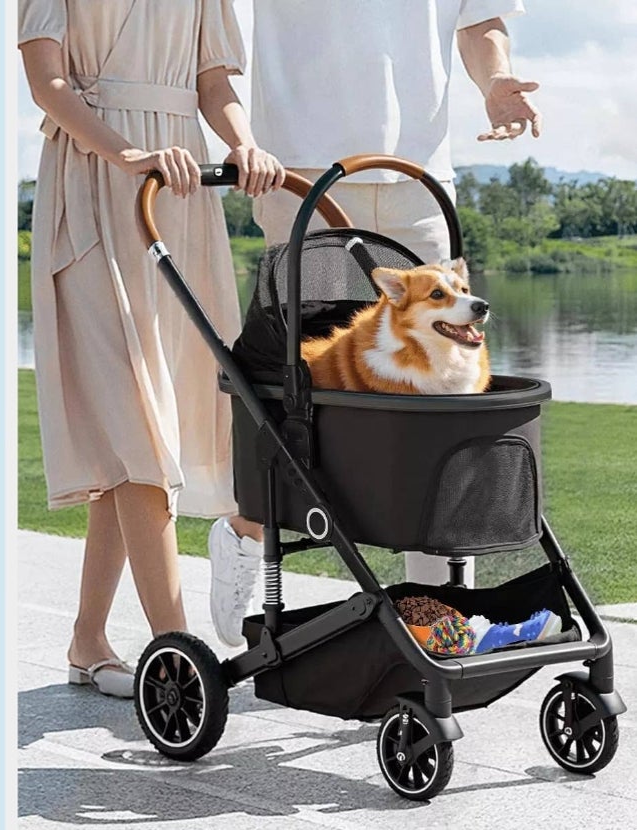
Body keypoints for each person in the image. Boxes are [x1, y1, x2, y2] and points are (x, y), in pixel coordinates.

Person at [210, 0, 542, 646]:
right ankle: (249, 529)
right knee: (305, 385)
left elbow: (480, 20)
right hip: (302, 169)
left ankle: (441, 619)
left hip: (418, 175)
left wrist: (497, 80)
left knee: (443, 398)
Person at [19, 0, 284, 696]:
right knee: (138, 424)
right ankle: (182, 657)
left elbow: (213, 81)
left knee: (133, 436)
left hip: (179, 186)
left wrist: (242, 144)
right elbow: (46, 82)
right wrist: (125, 153)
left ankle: (87, 641)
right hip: (94, 178)